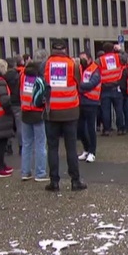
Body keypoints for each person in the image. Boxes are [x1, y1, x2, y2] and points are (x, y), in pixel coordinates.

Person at [43, 40, 87, 191]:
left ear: (52, 49)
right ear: (66, 49)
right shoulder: (73, 64)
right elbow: (79, 83)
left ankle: (54, 181)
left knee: (53, 147)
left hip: (51, 112)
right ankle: (75, 181)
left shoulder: (46, 64)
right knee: (71, 147)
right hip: (70, 110)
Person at [20, 57, 49, 181]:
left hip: (25, 112)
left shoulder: (23, 78)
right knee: (40, 144)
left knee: (26, 144)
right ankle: (40, 173)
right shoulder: (40, 80)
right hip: (37, 114)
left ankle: (25, 172)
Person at [98, 43, 126, 136]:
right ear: (113, 49)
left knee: (106, 110)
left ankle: (107, 130)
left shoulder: (99, 60)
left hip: (105, 88)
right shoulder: (118, 57)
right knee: (119, 109)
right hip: (116, 86)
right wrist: (120, 50)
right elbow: (126, 58)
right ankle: (120, 129)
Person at [77, 53, 101, 163]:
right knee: (80, 128)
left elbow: (91, 84)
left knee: (91, 128)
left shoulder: (95, 70)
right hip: (80, 102)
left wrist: (79, 86)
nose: (82, 60)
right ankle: (86, 149)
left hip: (91, 102)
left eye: (84, 59)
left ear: (90, 59)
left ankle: (92, 152)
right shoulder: (80, 68)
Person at [4, 56, 24, 156]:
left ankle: (8, 146)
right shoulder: (19, 76)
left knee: (8, 125)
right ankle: (21, 147)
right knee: (20, 126)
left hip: (7, 102)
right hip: (17, 102)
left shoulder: (3, 77)